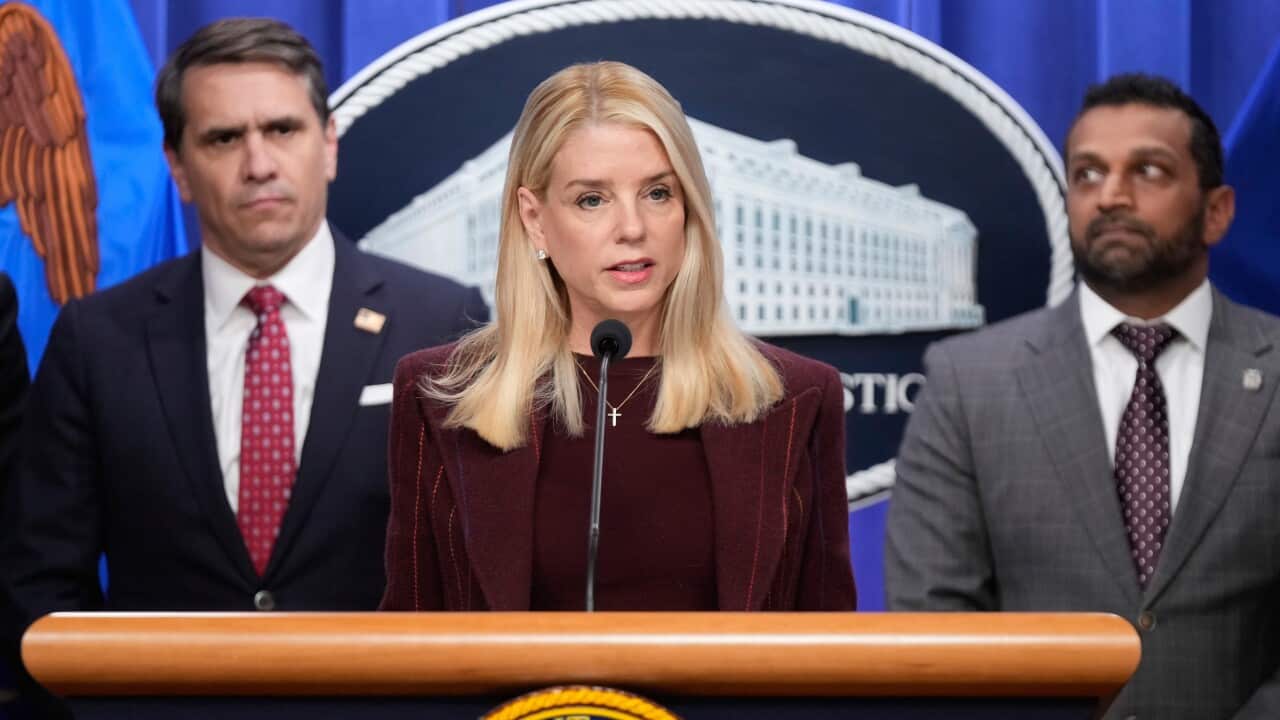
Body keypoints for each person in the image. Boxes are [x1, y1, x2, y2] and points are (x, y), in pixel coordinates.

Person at [0, 17, 487, 628]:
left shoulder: (442, 323)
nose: (259, 164)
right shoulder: (97, 340)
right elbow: (40, 581)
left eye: (282, 129)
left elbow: (479, 565)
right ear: (177, 167)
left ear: (329, 144)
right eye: (224, 139)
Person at [380, 61, 855, 612]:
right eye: (592, 199)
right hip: (520, 704)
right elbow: (411, 643)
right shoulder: (441, 396)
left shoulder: (795, 398)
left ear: (689, 209)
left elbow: (827, 648)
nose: (632, 228)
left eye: (657, 193)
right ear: (534, 219)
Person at [885, 73, 1280, 719]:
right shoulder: (969, 380)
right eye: (1088, 174)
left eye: (1148, 171)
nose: (1111, 197)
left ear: (1217, 211)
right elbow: (934, 626)